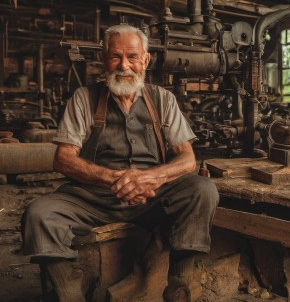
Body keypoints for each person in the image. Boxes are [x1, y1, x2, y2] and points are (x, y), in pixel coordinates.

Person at [22, 24, 219, 302]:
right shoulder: (84, 99)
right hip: (93, 198)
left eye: (132, 57)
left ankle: (180, 285)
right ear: (104, 60)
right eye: (115, 57)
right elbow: (63, 159)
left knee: (203, 190)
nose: (123, 66)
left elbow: (188, 159)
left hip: (152, 197)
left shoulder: (162, 99)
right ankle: (68, 291)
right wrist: (116, 179)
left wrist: (152, 178)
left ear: (145, 60)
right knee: (39, 214)